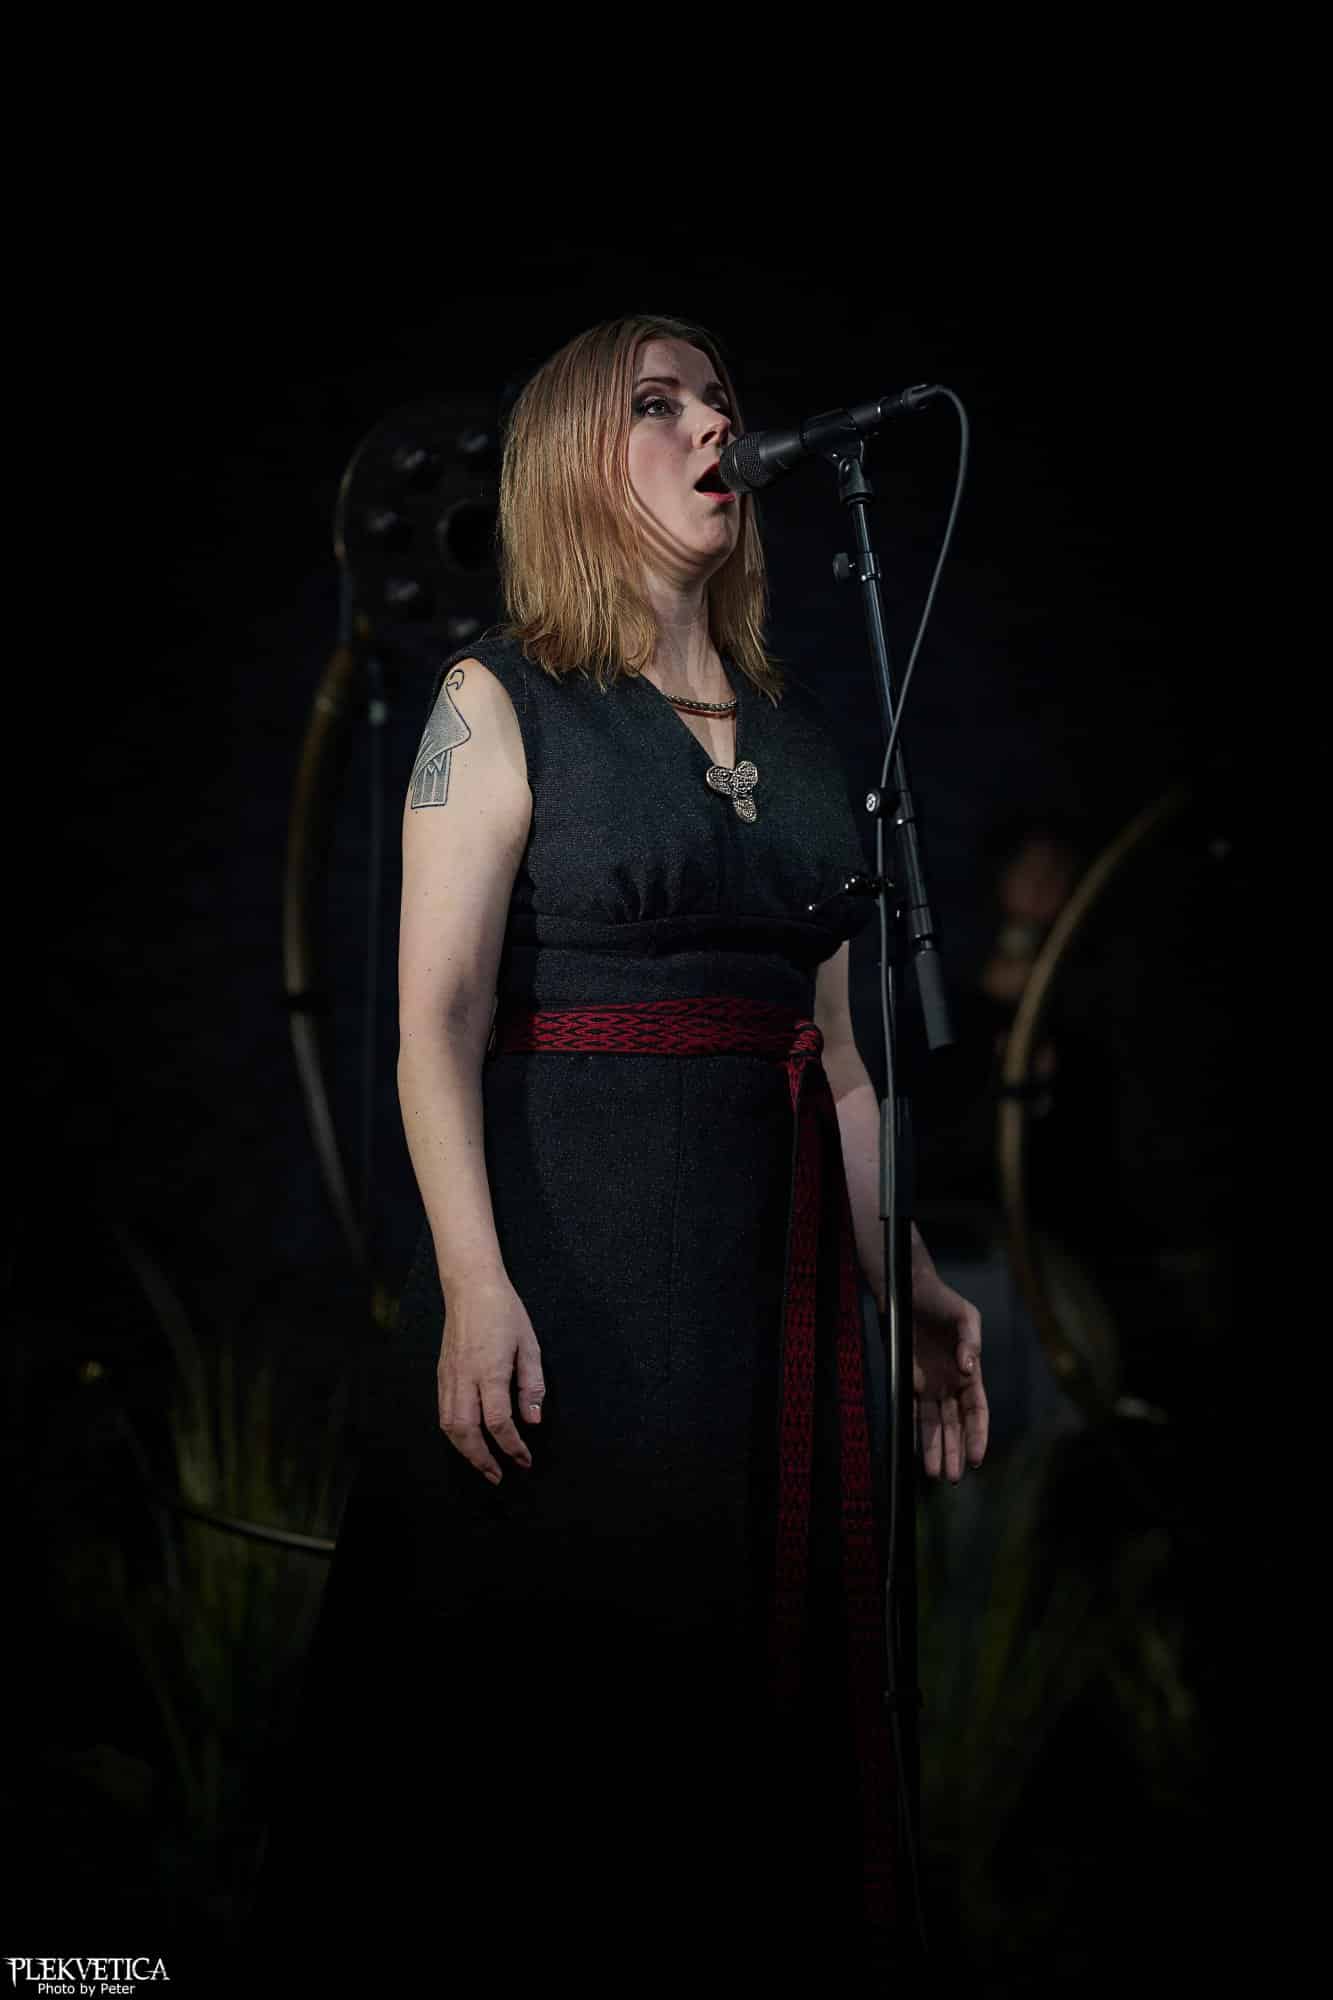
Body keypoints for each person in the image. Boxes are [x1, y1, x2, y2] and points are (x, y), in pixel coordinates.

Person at [246, 314, 989, 1983]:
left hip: (764, 1311)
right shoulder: (498, 696)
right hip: (569, 1286)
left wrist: (913, 1282)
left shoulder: (804, 740)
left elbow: (843, 1070)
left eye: (720, 400)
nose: (712, 425)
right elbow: (434, 1018)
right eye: (659, 405)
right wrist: (472, 1284)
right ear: (575, 462)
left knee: (732, 1722)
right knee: (543, 1727)